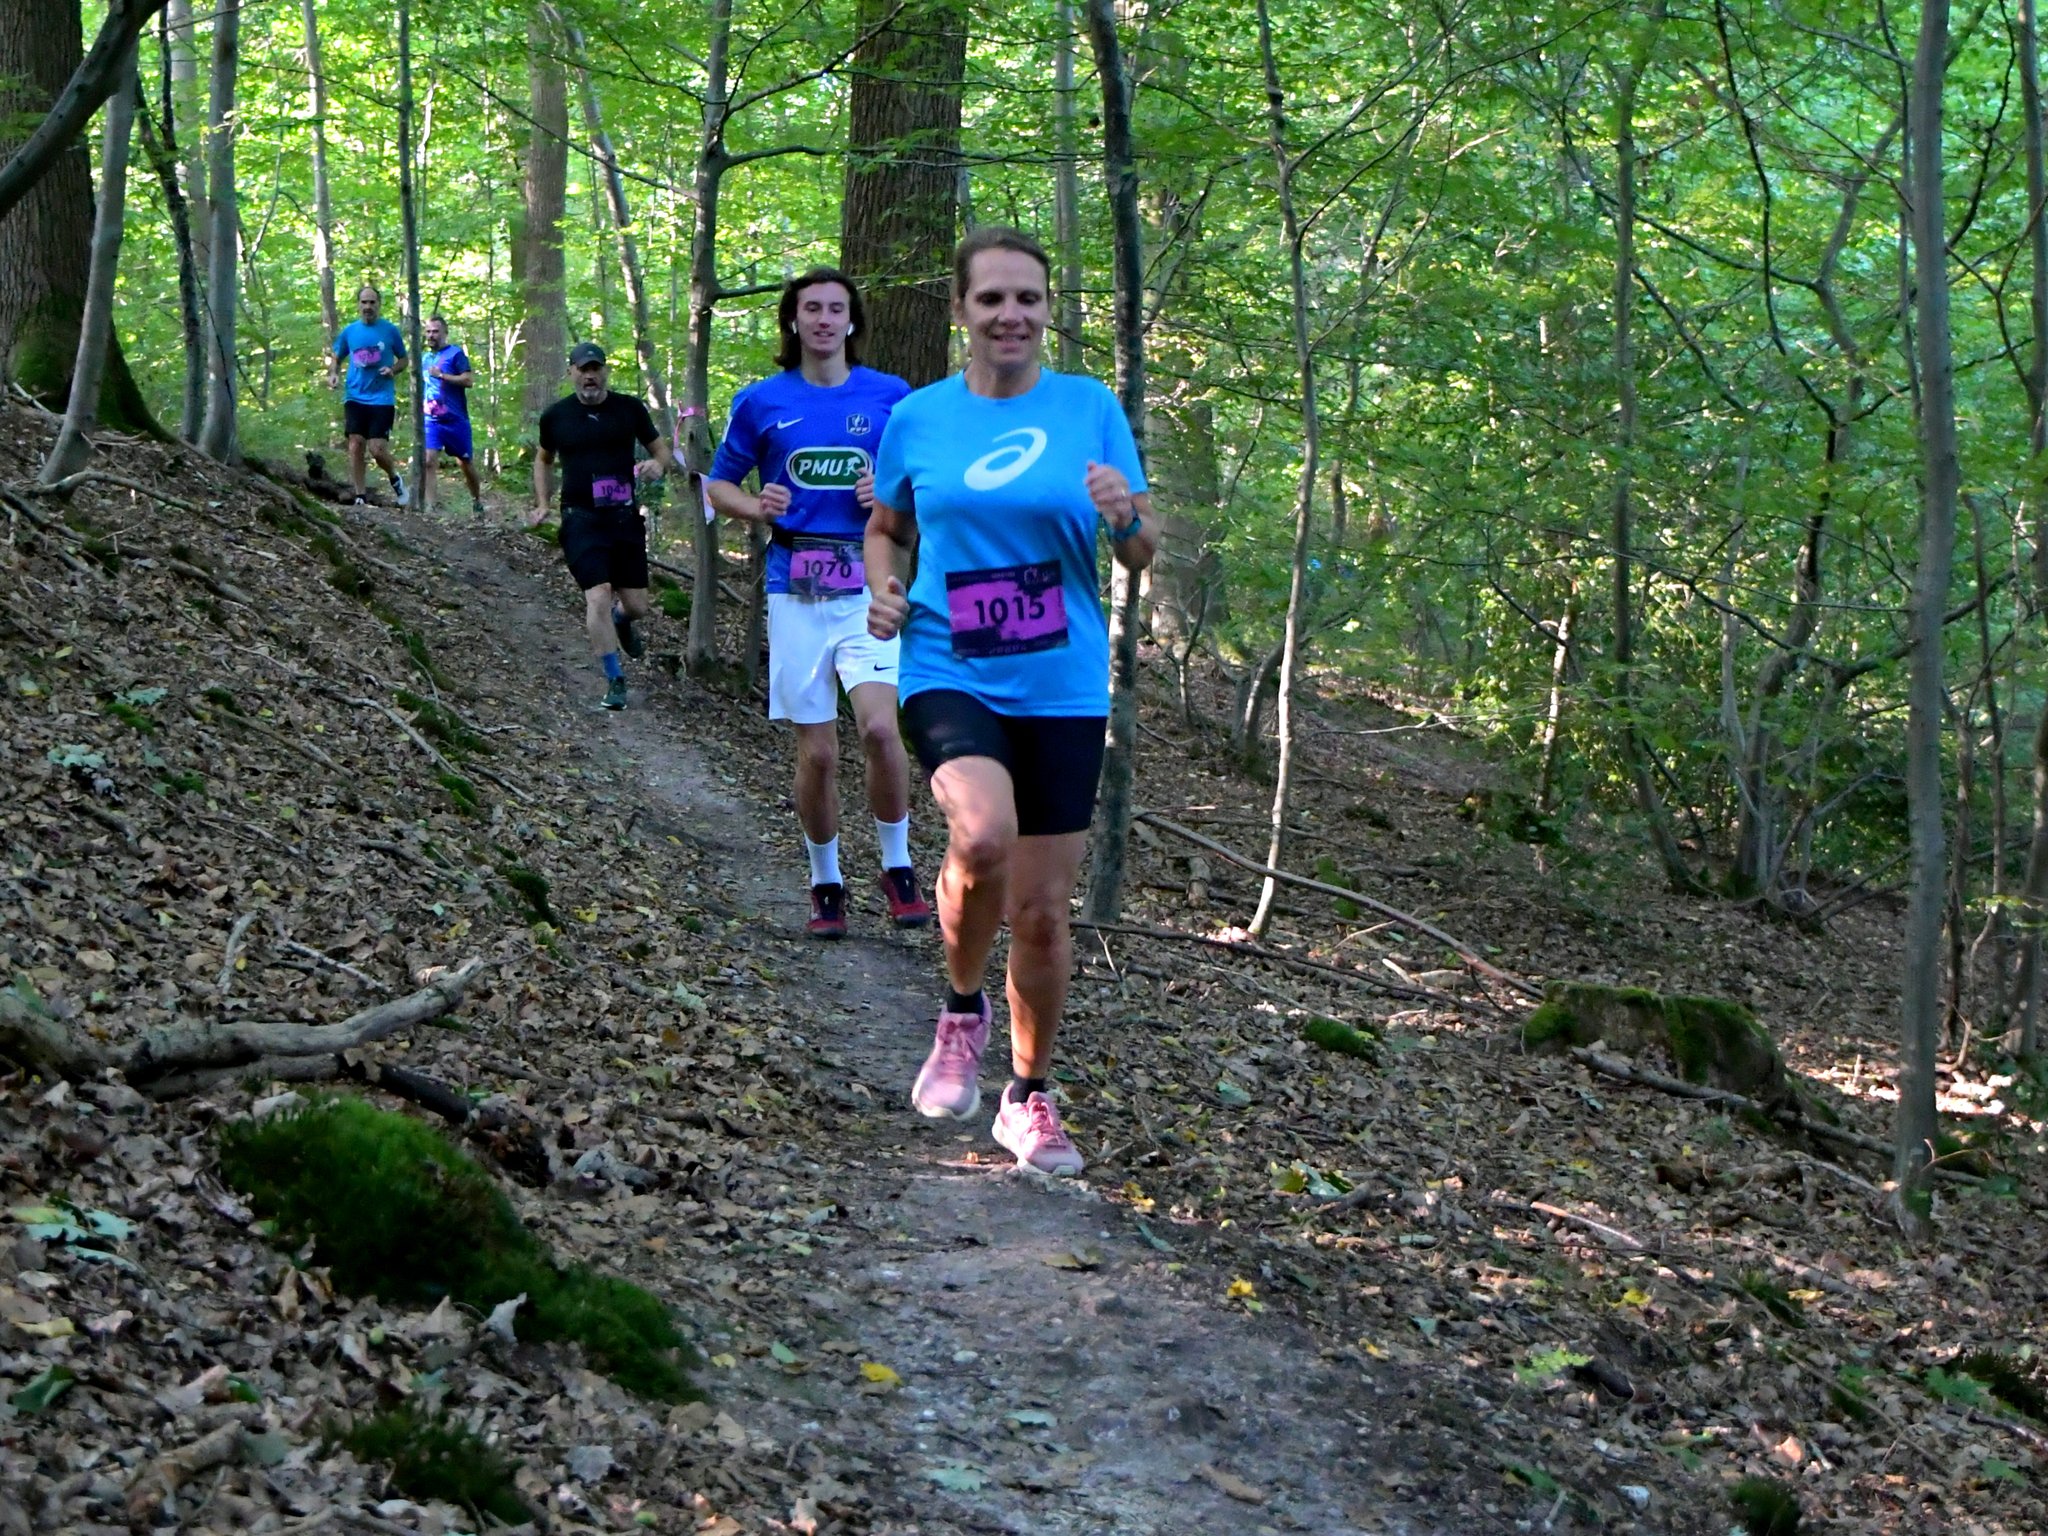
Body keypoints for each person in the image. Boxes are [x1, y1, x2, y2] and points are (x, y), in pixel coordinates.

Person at [865, 228, 1156, 1176]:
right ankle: (960, 1009)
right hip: (949, 663)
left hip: (1062, 680)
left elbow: (1141, 550)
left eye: (1027, 298)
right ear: (960, 310)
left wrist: (1125, 516)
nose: (1010, 315)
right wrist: (883, 586)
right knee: (983, 835)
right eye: (991, 298)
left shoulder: (1089, 407)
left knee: (1039, 912)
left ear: (1046, 309)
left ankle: (1027, 1096)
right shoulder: (919, 417)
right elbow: (887, 526)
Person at [707, 268, 930, 940]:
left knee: (881, 730)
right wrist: (755, 505)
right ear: (794, 321)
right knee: (821, 754)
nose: (825, 319)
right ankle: (825, 880)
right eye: (812, 309)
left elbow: (925, 483)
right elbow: (718, 484)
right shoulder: (761, 401)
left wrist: (888, 494)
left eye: (836, 308)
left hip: (868, 578)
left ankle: (898, 867)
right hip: (796, 581)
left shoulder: (892, 397)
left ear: (852, 321)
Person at [529, 342, 674, 711]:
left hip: (623, 517)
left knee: (637, 606)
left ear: (605, 372)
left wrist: (659, 465)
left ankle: (621, 620)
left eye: (595, 368)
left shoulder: (629, 409)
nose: (590, 376)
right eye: (583, 369)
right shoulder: (556, 416)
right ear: (571, 373)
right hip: (580, 518)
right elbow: (543, 459)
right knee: (598, 593)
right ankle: (614, 679)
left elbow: (661, 450)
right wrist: (543, 503)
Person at [325, 284, 409, 507]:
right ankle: (360, 496)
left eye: (372, 302)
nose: (368, 307)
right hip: (355, 395)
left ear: (379, 305)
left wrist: (393, 369)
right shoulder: (350, 331)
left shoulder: (389, 330)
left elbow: (404, 359)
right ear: (358, 305)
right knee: (355, 443)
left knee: (377, 449)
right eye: (364, 302)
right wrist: (333, 374)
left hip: (382, 398)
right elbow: (337, 356)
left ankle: (394, 478)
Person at [421, 314, 485, 517]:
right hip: (431, 419)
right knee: (429, 460)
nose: (431, 335)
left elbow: (468, 380)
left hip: (456, 419)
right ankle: (430, 508)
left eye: (435, 331)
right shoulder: (424, 358)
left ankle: (476, 501)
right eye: (428, 331)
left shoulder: (455, 354)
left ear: (445, 333)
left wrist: (442, 375)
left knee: (465, 463)